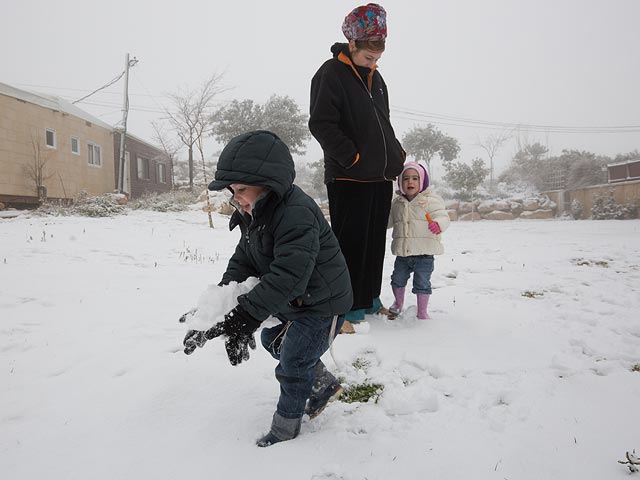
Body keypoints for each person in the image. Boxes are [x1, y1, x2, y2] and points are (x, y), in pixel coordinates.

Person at [182, 130, 353, 447]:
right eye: (233, 191)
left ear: (269, 181)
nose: (237, 198)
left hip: (323, 303)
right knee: (272, 339)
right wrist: (214, 308)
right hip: (299, 301)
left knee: (293, 365)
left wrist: (245, 315)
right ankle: (324, 385)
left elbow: (288, 276)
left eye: (243, 189)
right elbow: (243, 261)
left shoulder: (296, 214)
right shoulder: (254, 212)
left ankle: (286, 428)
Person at [309, 3, 405, 333]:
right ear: (352, 45)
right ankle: (344, 306)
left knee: (374, 241)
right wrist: (352, 158)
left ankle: (368, 298)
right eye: (369, 58)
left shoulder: (377, 80)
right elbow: (321, 124)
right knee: (349, 244)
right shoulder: (331, 74)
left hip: (379, 176)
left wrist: (395, 154)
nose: (374, 63)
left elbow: (383, 124)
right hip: (349, 176)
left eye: (378, 58)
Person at [387, 161, 450, 319]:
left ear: (422, 181)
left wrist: (438, 224)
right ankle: (398, 302)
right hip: (403, 252)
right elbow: (388, 220)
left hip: (424, 253)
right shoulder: (397, 203)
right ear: (400, 183)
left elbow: (443, 216)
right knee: (397, 279)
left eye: (415, 178)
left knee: (422, 282)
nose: (410, 182)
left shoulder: (430, 200)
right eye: (406, 178)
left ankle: (422, 311)